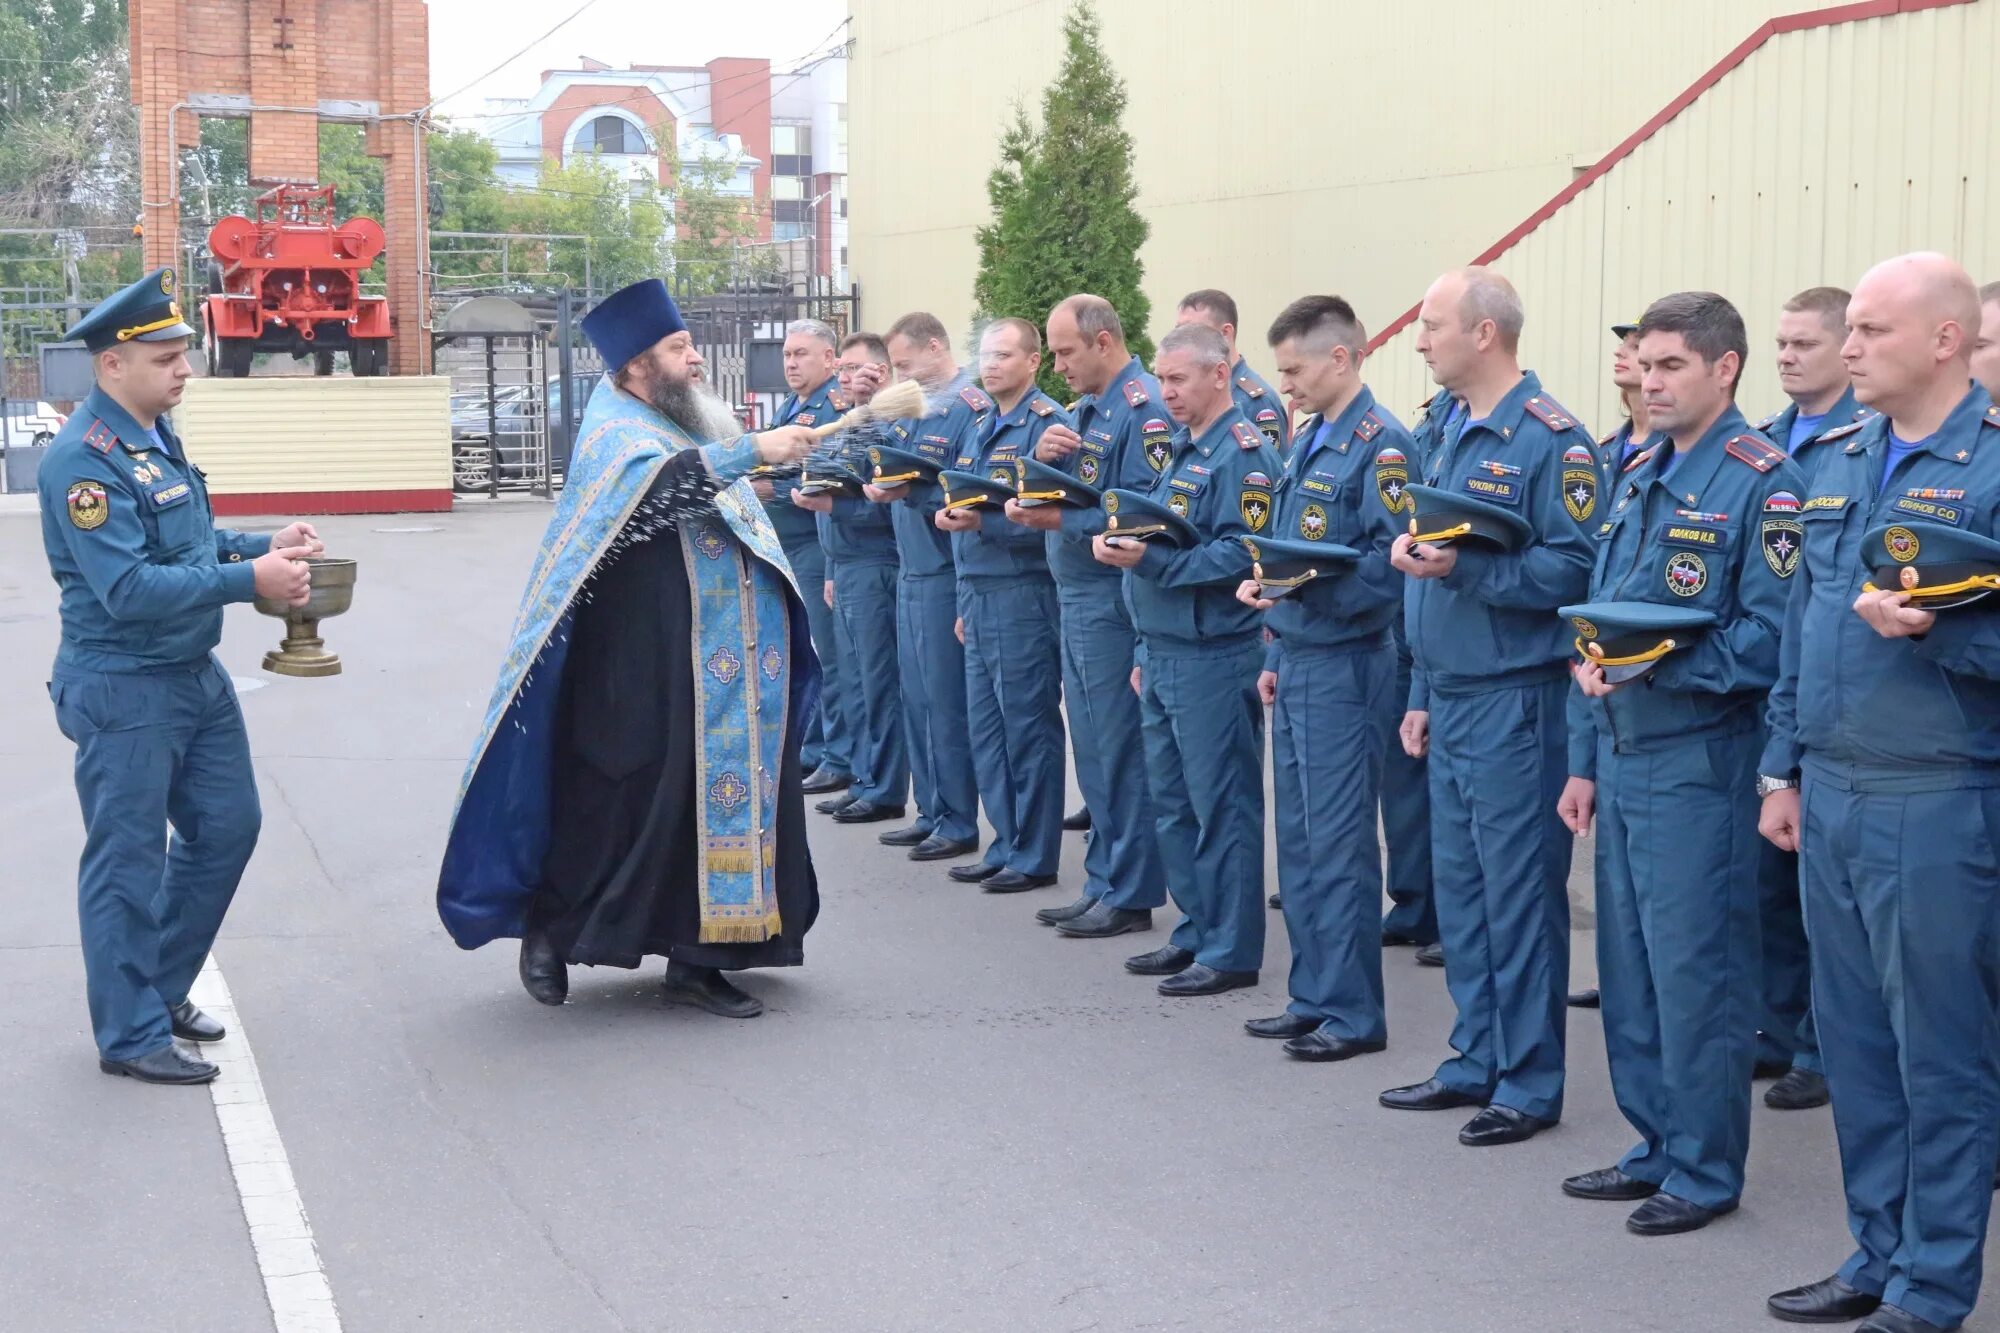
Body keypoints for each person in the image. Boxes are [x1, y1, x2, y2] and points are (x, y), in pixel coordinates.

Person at [438, 279, 822, 1020]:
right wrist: (751, 450)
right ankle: (549, 933)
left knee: (703, 807)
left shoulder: (688, 420)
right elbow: (653, 499)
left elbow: (712, 496)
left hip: (724, 658)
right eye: (679, 349)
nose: (696, 360)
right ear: (636, 366)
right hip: (638, 661)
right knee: (620, 802)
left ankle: (701, 958)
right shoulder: (618, 429)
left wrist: (758, 468)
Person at [1760, 253, 2000, 1333]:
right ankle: (1878, 1248)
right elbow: (1799, 627)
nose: (1846, 348)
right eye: (1845, 330)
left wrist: (1941, 631)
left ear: (1943, 340)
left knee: (1937, 1052)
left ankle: (1932, 1285)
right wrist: (1783, 766)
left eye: (1868, 331)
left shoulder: (1990, 467)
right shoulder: (1839, 458)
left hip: (1936, 793)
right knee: (1853, 1043)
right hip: (1835, 785)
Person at [1555, 292, 1803, 1236]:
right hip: (1622, 754)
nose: (1648, 383)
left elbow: (1771, 639)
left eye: (1669, 367)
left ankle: (1703, 1166)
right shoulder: (1639, 470)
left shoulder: (1762, 482)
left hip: (1702, 756)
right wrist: (1582, 758)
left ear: (1724, 368)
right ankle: (1655, 1141)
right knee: (1630, 966)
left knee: (1697, 972)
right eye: (1643, 367)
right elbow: (1600, 622)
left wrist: (1659, 666)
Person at [39, 267, 318, 1085]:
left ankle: (158, 987)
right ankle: (128, 1035)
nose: (183, 370)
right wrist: (251, 580)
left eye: (182, 354)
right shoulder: (82, 463)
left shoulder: (154, 438)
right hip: (124, 685)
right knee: (128, 864)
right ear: (112, 365)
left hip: (190, 675)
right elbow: (126, 589)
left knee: (228, 826)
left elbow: (184, 541)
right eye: (165, 357)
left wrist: (260, 541)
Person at [1381, 267, 1593, 1147]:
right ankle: (1475, 1053)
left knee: (1517, 896)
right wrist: (1423, 689)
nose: (1420, 339)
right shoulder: (1444, 429)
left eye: (1432, 324)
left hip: (1517, 698)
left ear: (1485, 334)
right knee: (1463, 893)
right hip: (1455, 691)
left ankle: (1530, 1077)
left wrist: (1465, 570)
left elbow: (1575, 572)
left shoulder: (1553, 441)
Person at [1234, 295, 1406, 1060]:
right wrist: (1274, 640)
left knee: (1337, 843)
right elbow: (1284, 551)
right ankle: (1314, 993)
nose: (1286, 385)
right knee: (1299, 842)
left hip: (1346, 659)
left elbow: (1392, 569)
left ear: (1341, 358)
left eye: (1294, 369)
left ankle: (1353, 1010)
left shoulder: (1383, 446)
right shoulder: (1311, 440)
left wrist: (1308, 591)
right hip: (1299, 656)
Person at [1093, 321, 1280, 995]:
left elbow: (1244, 551)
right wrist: (1144, 638)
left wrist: (1155, 561)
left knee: (1220, 804)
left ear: (1219, 374)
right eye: (1163, 378)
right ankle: (1197, 928)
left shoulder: (1243, 455)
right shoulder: (1182, 447)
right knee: (1173, 803)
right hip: (1166, 649)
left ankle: (1230, 948)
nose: (1165, 391)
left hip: (1213, 653)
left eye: (1177, 379)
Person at [1004, 295, 1167, 940]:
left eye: (1067, 351)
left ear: (1103, 343)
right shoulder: (1087, 409)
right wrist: (1044, 456)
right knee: (1094, 748)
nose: (1058, 365)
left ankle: (1130, 890)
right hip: (1075, 595)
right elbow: (1080, 488)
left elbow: (1145, 513)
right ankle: (1104, 878)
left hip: (1108, 600)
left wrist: (1059, 518)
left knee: (1120, 747)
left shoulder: (1142, 409)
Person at [1751, 285, 1871, 1112]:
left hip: (1852, 712)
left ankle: (1820, 1048)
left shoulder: (1857, 445)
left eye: (1805, 344)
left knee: (1829, 906)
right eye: (1782, 344)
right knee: (1773, 887)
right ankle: (1785, 1025)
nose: (1788, 355)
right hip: (1776, 697)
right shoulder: (1772, 446)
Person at [930, 319, 1068, 893]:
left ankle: (1034, 854)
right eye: (985, 355)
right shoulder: (984, 423)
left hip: (1021, 592)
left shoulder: (1047, 426)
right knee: (986, 728)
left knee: (1027, 727)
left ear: (1033, 361)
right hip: (979, 591)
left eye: (1004, 355)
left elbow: (1049, 524)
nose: (990, 365)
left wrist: (981, 520)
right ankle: (1005, 840)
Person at [862, 312, 988, 861]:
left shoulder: (968, 408)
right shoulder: (915, 403)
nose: (900, 374)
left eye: (905, 364)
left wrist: (910, 495)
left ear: (937, 347)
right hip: (911, 567)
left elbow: (968, 492)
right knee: (916, 700)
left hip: (941, 570)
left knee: (944, 701)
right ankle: (931, 809)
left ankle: (958, 819)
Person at [1566, 315, 1659, 1010]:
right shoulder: (1609, 457)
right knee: (1621, 890)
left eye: (1656, 356)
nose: (1636, 364)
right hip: (1608, 698)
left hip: (1681, 717)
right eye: (1631, 352)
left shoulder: (1752, 469)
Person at [795, 333, 909, 823]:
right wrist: (831, 566)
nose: (846, 378)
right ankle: (863, 776)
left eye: (857, 369)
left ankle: (882, 788)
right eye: (842, 369)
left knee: (877, 682)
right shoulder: (848, 422)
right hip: (843, 565)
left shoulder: (885, 425)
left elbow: (885, 509)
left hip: (872, 563)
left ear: (882, 373)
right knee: (857, 680)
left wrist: (835, 506)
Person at [759, 319, 857, 797]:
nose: (791, 363)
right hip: (787, 546)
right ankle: (813, 746)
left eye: (801, 353)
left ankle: (836, 756)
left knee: (827, 654)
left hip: (816, 543)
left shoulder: (834, 408)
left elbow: (828, 477)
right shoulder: (791, 406)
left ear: (829, 359)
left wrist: (769, 489)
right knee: (803, 650)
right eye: (787, 355)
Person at [1177, 289, 1292, 455]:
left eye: (1193, 332)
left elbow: (1270, 472)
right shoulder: (1194, 391)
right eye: (1178, 331)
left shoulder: (1258, 403)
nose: (1181, 341)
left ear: (1225, 333)